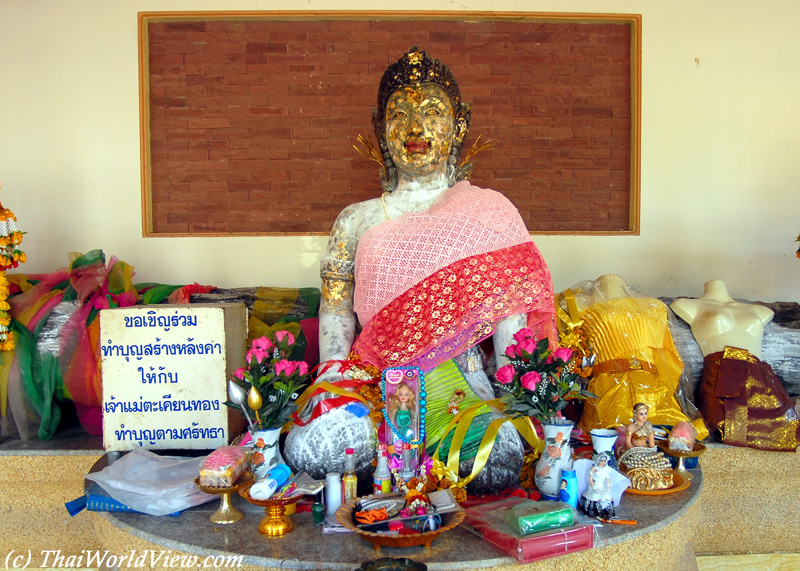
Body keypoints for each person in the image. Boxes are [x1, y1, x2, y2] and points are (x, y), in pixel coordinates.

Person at [284, 47, 557, 493]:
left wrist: (518, 396)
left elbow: (513, 322)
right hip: (374, 377)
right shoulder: (356, 219)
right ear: (379, 127)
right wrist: (333, 377)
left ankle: (417, 465)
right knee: (320, 449)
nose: (415, 128)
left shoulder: (490, 214)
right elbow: (336, 314)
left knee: (498, 460)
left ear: (459, 124)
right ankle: (400, 463)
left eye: (432, 112)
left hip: (459, 382)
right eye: (400, 114)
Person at [562, 274, 707, 439]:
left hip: (651, 383)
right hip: (607, 385)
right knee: (605, 436)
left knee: (676, 431)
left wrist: (671, 387)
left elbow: (666, 353)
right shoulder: (576, 303)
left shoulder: (655, 306)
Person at [671, 280, 800, 451]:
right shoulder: (685, 305)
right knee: (727, 428)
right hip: (722, 375)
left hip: (760, 378)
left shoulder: (760, 310)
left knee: (786, 430)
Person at [616, 403, 673, 490]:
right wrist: (634, 451)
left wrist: (652, 450)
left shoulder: (648, 426)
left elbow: (651, 443)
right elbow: (628, 442)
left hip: (646, 451)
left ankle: (657, 480)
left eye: (645, 413)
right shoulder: (631, 427)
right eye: (641, 414)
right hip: (634, 451)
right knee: (633, 463)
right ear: (635, 414)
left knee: (660, 463)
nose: (644, 416)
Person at [578, 452, 615, 520]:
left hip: (601, 486)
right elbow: (590, 479)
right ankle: (594, 512)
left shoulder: (606, 469)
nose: (603, 462)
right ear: (598, 460)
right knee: (595, 496)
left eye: (604, 460)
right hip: (594, 485)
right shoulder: (594, 468)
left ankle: (606, 512)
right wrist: (594, 487)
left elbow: (607, 480)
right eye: (601, 460)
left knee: (607, 496)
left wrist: (608, 488)